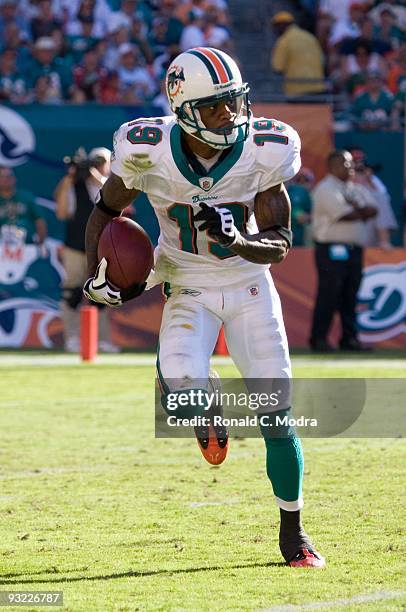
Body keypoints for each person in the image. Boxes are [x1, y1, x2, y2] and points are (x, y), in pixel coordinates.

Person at [82, 47, 325, 568]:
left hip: (249, 283)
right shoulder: (147, 150)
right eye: (215, 106)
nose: (230, 115)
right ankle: (202, 397)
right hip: (185, 280)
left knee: (275, 413)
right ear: (185, 110)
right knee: (180, 392)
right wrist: (96, 276)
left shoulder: (266, 149)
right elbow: (105, 211)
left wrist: (239, 240)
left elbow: (280, 241)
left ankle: (294, 530)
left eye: (235, 102)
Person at [310, 150, 377, 352]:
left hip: (354, 249)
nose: (351, 167)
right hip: (331, 248)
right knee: (329, 294)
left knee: (351, 295)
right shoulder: (325, 188)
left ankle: (349, 339)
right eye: (345, 164)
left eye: (351, 164)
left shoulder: (354, 188)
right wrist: (359, 210)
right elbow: (346, 214)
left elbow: (374, 210)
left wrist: (358, 209)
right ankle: (319, 339)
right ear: (332, 166)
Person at [55, 147, 118, 353]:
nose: (98, 165)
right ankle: (72, 338)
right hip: (76, 246)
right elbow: (62, 212)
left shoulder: (111, 184)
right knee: (71, 293)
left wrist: (95, 175)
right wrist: (69, 178)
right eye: (94, 162)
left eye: (102, 162)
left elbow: (121, 206)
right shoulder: (76, 187)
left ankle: (102, 339)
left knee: (101, 293)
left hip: (101, 247)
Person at [270, 11, 325, 96]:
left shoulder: (284, 40)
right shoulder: (310, 37)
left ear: (282, 25)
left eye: (276, 27)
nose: (275, 30)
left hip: (296, 89)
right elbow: (322, 60)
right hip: (318, 86)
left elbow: (278, 67)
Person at [0, 166, 47, 250]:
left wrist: (41, 243)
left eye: (9, 176)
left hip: (26, 247)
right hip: (1, 247)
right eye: (2, 177)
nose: (5, 179)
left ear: (14, 179)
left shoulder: (27, 197)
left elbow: (40, 221)